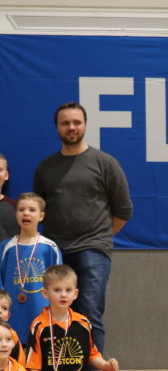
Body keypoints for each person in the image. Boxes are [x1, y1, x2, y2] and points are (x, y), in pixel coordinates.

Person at [32, 102, 132, 352]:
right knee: (55, 314)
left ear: (85, 125)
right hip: (56, 253)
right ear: (57, 127)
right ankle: (62, 370)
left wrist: (100, 237)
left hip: (92, 251)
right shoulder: (45, 167)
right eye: (65, 123)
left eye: (77, 122)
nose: (71, 127)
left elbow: (123, 210)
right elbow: (38, 210)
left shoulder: (105, 163)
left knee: (89, 313)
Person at [26, 265, 123, 371]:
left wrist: (106, 365)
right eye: (57, 290)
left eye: (68, 290)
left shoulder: (83, 322)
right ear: (45, 293)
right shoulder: (39, 325)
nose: (63, 294)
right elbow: (33, 366)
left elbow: (93, 355)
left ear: (75, 294)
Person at [0, 192, 62, 342]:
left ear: (41, 216)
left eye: (32, 210)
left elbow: (59, 285)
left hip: (41, 316)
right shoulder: (6, 247)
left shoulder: (50, 248)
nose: (26, 213)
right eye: (21, 209)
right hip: (12, 316)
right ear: (16, 214)